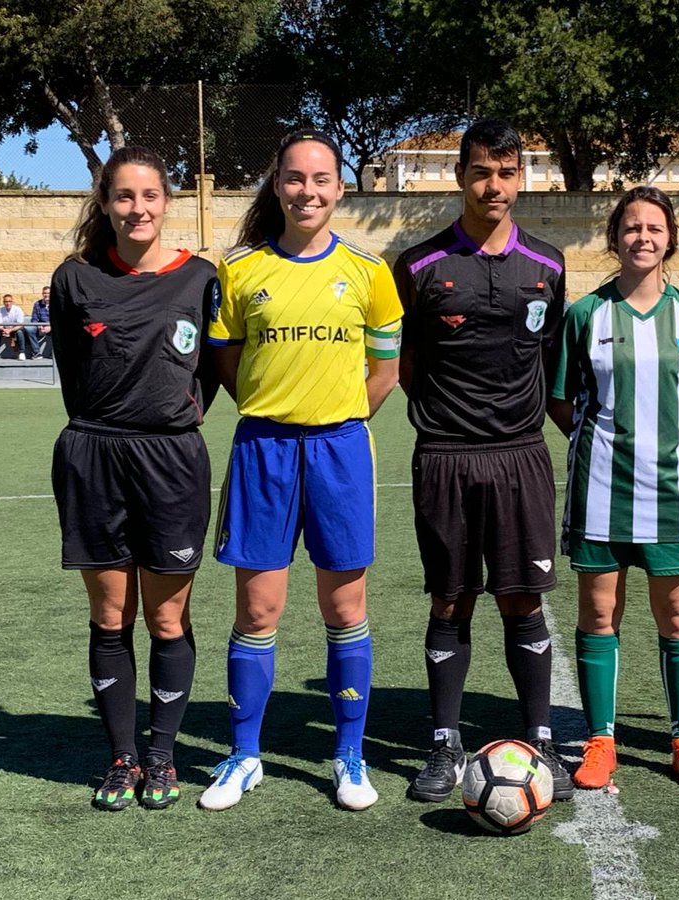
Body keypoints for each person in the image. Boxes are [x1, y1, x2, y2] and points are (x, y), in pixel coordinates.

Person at [201, 129, 402, 813]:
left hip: (341, 447)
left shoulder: (371, 273)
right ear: (276, 184)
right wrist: (275, 409)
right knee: (257, 608)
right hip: (263, 448)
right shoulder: (240, 270)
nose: (307, 191)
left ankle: (349, 755)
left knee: (345, 606)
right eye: (294, 178)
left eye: (320, 179)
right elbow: (226, 363)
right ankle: (244, 753)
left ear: (340, 188)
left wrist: (335, 414)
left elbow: (385, 373)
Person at [393, 118, 574, 803]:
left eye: (505, 172)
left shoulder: (550, 265)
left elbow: (553, 362)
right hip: (445, 456)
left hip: (521, 456)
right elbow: (408, 366)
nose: (492, 185)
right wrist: (450, 419)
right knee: (451, 598)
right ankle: (443, 744)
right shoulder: (418, 266)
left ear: (520, 177)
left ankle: (540, 739)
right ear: (460, 174)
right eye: (479, 171)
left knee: (522, 599)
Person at [49, 145, 219, 812]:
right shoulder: (74, 280)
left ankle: (163, 755)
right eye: (124, 196)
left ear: (167, 202)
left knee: (167, 616)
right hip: (94, 456)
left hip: (172, 461)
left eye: (149, 195)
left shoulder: (201, 278)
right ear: (105, 203)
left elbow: (208, 374)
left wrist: (171, 415)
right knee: (110, 614)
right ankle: (122, 757)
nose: (137, 208)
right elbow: (72, 371)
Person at [549, 187, 679, 791]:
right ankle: (600, 740)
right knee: (599, 615)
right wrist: (607, 448)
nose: (642, 237)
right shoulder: (584, 315)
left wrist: (665, 450)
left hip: (674, 494)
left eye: (654, 227)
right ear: (614, 238)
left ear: (670, 238)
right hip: (600, 491)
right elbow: (563, 402)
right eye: (630, 228)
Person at [21, 286, 52, 359]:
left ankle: (53, 353)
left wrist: (50, 327)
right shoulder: (37, 304)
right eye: (44, 293)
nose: (46, 295)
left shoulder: (56, 304)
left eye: (48, 293)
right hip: (40, 326)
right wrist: (38, 326)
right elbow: (34, 318)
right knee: (29, 329)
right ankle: (36, 352)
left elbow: (58, 319)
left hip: (52, 326)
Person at [0, 294, 25, 360]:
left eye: (9, 301)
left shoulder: (17, 309)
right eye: (6, 301)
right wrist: (4, 329)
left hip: (15, 329)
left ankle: (22, 353)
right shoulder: (0, 310)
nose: (8, 303)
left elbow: (21, 324)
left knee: (20, 332)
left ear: (12, 302)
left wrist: (10, 330)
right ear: (3, 302)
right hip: (4, 329)